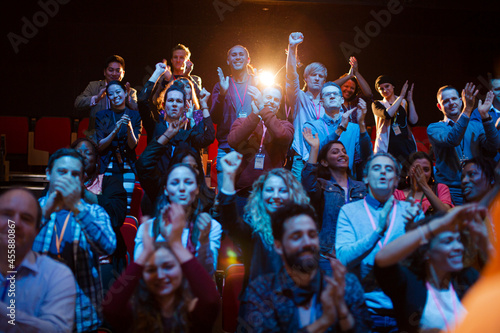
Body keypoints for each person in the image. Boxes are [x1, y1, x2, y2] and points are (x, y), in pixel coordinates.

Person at [238, 202, 372, 332]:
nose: (307, 243)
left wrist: (342, 312)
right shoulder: (263, 291)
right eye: (296, 236)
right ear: (278, 246)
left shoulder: (345, 285)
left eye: (312, 235)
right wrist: (323, 322)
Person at [335, 152, 423, 332]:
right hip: (362, 311)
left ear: (397, 180)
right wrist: (377, 232)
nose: (383, 173)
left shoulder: (411, 212)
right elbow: (343, 259)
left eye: (389, 169)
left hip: (404, 310)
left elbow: (424, 264)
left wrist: (413, 231)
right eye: (376, 168)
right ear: (366, 178)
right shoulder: (349, 211)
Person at [33, 148, 116, 332]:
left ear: (82, 179)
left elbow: (109, 246)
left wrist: (77, 206)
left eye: (75, 174)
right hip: (37, 314)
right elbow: (11, 250)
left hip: (81, 317)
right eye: (62, 172)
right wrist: (44, 214)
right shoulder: (29, 212)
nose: (68, 179)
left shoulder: (94, 212)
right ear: (48, 174)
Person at [103, 205, 220, 332]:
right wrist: (144, 255)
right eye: (151, 270)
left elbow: (211, 300)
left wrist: (176, 245)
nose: (160, 275)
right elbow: (110, 307)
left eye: (168, 267)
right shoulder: (136, 313)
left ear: (181, 271)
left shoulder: (194, 313)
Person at [374, 205, 489, 333]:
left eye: (458, 240)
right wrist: (438, 224)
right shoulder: (409, 282)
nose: (458, 247)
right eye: (448, 241)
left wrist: (485, 242)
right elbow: (381, 259)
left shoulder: (467, 277)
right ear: (426, 251)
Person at [219, 151, 310, 291]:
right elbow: (230, 222)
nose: (275, 196)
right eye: (269, 190)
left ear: (292, 195)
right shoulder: (253, 230)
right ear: (260, 196)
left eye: (282, 190)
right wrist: (228, 176)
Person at [0, 188, 76, 333]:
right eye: (7, 214)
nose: (14, 224)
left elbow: (57, 330)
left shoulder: (56, 276)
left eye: (26, 218)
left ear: (36, 232)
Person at [134, 163, 222, 275]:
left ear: (197, 189)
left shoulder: (210, 226)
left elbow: (208, 273)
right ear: (166, 190)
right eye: (175, 183)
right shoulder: (149, 228)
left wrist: (204, 243)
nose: (181, 188)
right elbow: (142, 271)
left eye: (188, 182)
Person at [427, 84, 500, 205]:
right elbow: (453, 140)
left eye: (454, 99)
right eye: (446, 101)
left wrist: (486, 117)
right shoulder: (435, 128)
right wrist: (467, 109)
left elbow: (494, 147)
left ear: (461, 101)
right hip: (449, 190)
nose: (451, 103)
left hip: (475, 186)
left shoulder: (476, 126)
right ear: (440, 106)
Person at [301, 132, 367, 265]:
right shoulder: (322, 186)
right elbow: (309, 185)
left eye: (344, 151)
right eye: (335, 152)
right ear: (324, 162)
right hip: (328, 257)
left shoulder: (361, 187)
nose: (342, 154)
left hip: (357, 256)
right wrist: (314, 148)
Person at [72, 138, 128, 282]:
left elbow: (116, 217)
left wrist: (83, 192)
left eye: (87, 153)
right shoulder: (58, 184)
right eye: (78, 152)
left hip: (103, 263)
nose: (82, 156)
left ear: (97, 159)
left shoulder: (110, 183)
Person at [227, 84, 294, 202]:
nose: (272, 102)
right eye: (268, 97)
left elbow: (282, 136)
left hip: (272, 192)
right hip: (243, 190)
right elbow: (233, 140)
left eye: (276, 100)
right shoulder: (242, 121)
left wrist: (263, 108)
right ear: (258, 99)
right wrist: (254, 116)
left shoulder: (285, 125)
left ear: (279, 106)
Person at [303, 81, 372, 180]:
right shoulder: (311, 126)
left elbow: (367, 156)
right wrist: (340, 129)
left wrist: (361, 124)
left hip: (348, 183)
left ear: (342, 100)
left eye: (335, 94)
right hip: (322, 184)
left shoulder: (354, 128)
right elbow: (316, 155)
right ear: (321, 102)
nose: (332, 96)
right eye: (327, 94)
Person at [211, 44, 258, 188]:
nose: (237, 57)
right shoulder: (221, 85)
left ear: (248, 59)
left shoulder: (258, 83)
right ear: (228, 60)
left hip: (252, 148)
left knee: (251, 200)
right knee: (225, 201)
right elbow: (214, 118)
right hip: (226, 148)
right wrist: (222, 94)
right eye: (234, 55)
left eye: (241, 54)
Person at [95, 80, 142, 213]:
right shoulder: (102, 115)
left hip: (127, 165)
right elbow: (100, 146)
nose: (115, 96)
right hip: (107, 165)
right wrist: (115, 130)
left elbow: (133, 145)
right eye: (111, 94)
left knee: (125, 208)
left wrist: (129, 128)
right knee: (107, 205)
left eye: (118, 92)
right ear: (108, 97)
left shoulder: (135, 115)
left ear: (125, 92)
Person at [287, 32, 327, 181]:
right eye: (313, 75)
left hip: (324, 161)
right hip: (301, 159)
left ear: (324, 81)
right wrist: (292, 48)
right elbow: (291, 77)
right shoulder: (298, 98)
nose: (317, 78)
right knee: (298, 201)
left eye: (321, 76)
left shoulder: (328, 103)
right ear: (305, 78)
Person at [137, 141, 216, 216]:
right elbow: (144, 164)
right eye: (187, 166)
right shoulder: (161, 193)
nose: (191, 171)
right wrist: (167, 136)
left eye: (195, 167)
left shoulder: (208, 199)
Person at [75, 55, 138, 134]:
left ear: (123, 73)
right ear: (104, 72)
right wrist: (96, 98)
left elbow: (138, 113)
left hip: (121, 138)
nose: (114, 74)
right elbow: (78, 103)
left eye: (118, 71)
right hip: (97, 137)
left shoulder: (130, 91)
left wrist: (129, 100)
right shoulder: (94, 86)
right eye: (111, 70)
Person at [372, 75, 418, 164]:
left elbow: (413, 121)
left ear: (393, 86)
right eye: (381, 89)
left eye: (387, 86)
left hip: (404, 145)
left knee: (406, 173)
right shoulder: (377, 104)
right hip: (388, 147)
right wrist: (401, 97)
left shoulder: (403, 102)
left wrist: (410, 101)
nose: (385, 90)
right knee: (390, 173)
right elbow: (388, 114)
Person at [334, 56, 374, 126]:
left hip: (356, 135)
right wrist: (349, 76)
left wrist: (356, 73)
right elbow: (328, 87)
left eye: (352, 88)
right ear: (340, 87)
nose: (349, 90)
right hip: (338, 135)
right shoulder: (332, 100)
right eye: (346, 86)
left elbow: (368, 94)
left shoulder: (357, 101)